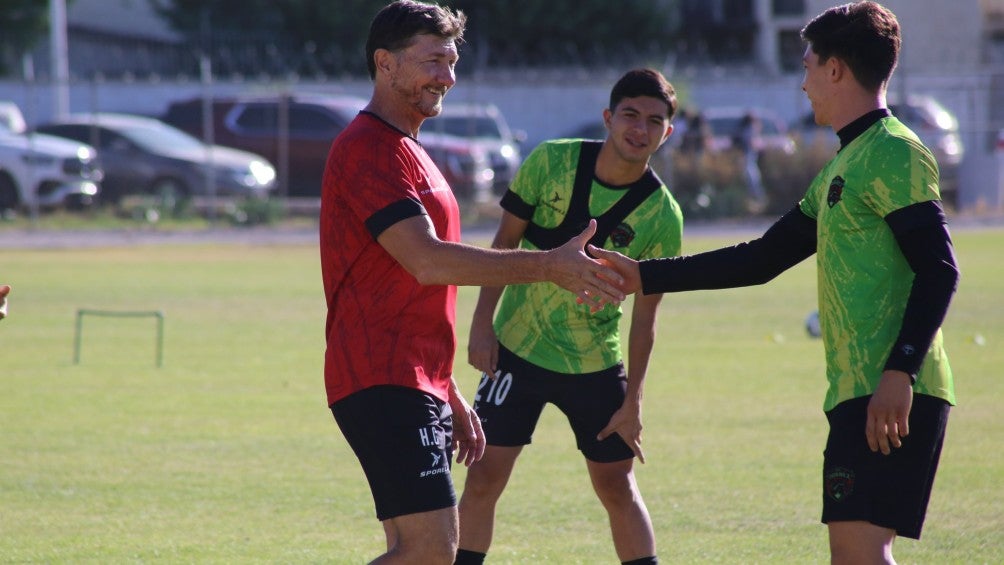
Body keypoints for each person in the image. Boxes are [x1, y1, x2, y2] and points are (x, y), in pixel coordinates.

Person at [591, 3, 959, 564]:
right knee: (853, 554)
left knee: (860, 554)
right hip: (854, 389)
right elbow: (761, 259)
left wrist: (899, 371)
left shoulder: (893, 151)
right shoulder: (844, 164)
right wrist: (644, 274)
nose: (803, 79)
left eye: (808, 64)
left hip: (890, 390)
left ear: (836, 69)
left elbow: (939, 269)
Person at [319, 2, 625, 563]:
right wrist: (549, 265)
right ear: (384, 64)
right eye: (433, 60)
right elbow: (428, 262)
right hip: (381, 377)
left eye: (453, 61)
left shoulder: (410, 149)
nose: (448, 76)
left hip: (413, 379)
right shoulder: (368, 148)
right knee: (432, 551)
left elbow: (419, 288)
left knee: (410, 548)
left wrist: (446, 388)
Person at [455, 69, 683, 565]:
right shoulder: (551, 161)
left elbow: (646, 319)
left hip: (595, 366)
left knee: (617, 485)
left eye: (653, 121)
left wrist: (634, 403)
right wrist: (480, 327)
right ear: (608, 117)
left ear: (667, 133)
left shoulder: (662, 216)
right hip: (515, 350)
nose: (639, 129)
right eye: (629, 114)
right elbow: (503, 246)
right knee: (484, 476)